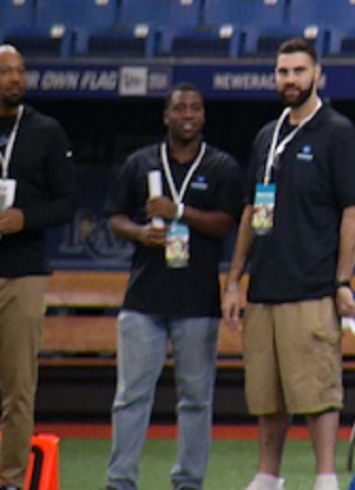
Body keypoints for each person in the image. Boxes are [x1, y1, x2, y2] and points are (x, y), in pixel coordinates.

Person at [221, 38, 355, 490]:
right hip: (264, 286)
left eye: (298, 71)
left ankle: (325, 478)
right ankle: (269, 476)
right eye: (282, 72)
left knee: (318, 392)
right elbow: (251, 210)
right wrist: (234, 281)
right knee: (268, 394)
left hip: (312, 286)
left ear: (317, 74)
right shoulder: (268, 136)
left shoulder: (338, 133)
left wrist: (342, 280)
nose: (289, 80)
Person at [103, 83, 244, 490]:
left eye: (195, 108)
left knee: (196, 400)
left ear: (203, 116)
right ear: (166, 115)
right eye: (179, 108)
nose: (187, 114)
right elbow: (114, 217)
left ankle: (188, 482)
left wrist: (179, 210)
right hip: (144, 299)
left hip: (197, 301)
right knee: (130, 397)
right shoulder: (141, 162)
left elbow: (226, 223)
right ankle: (120, 480)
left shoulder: (221, 166)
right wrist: (139, 232)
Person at [0, 44, 77, 490]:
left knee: (18, 386)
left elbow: (68, 201)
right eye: (6, 71)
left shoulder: (46, 131)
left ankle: (10, 479)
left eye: (20, 70)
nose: (15, 78)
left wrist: (25, 218)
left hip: (23, 273)